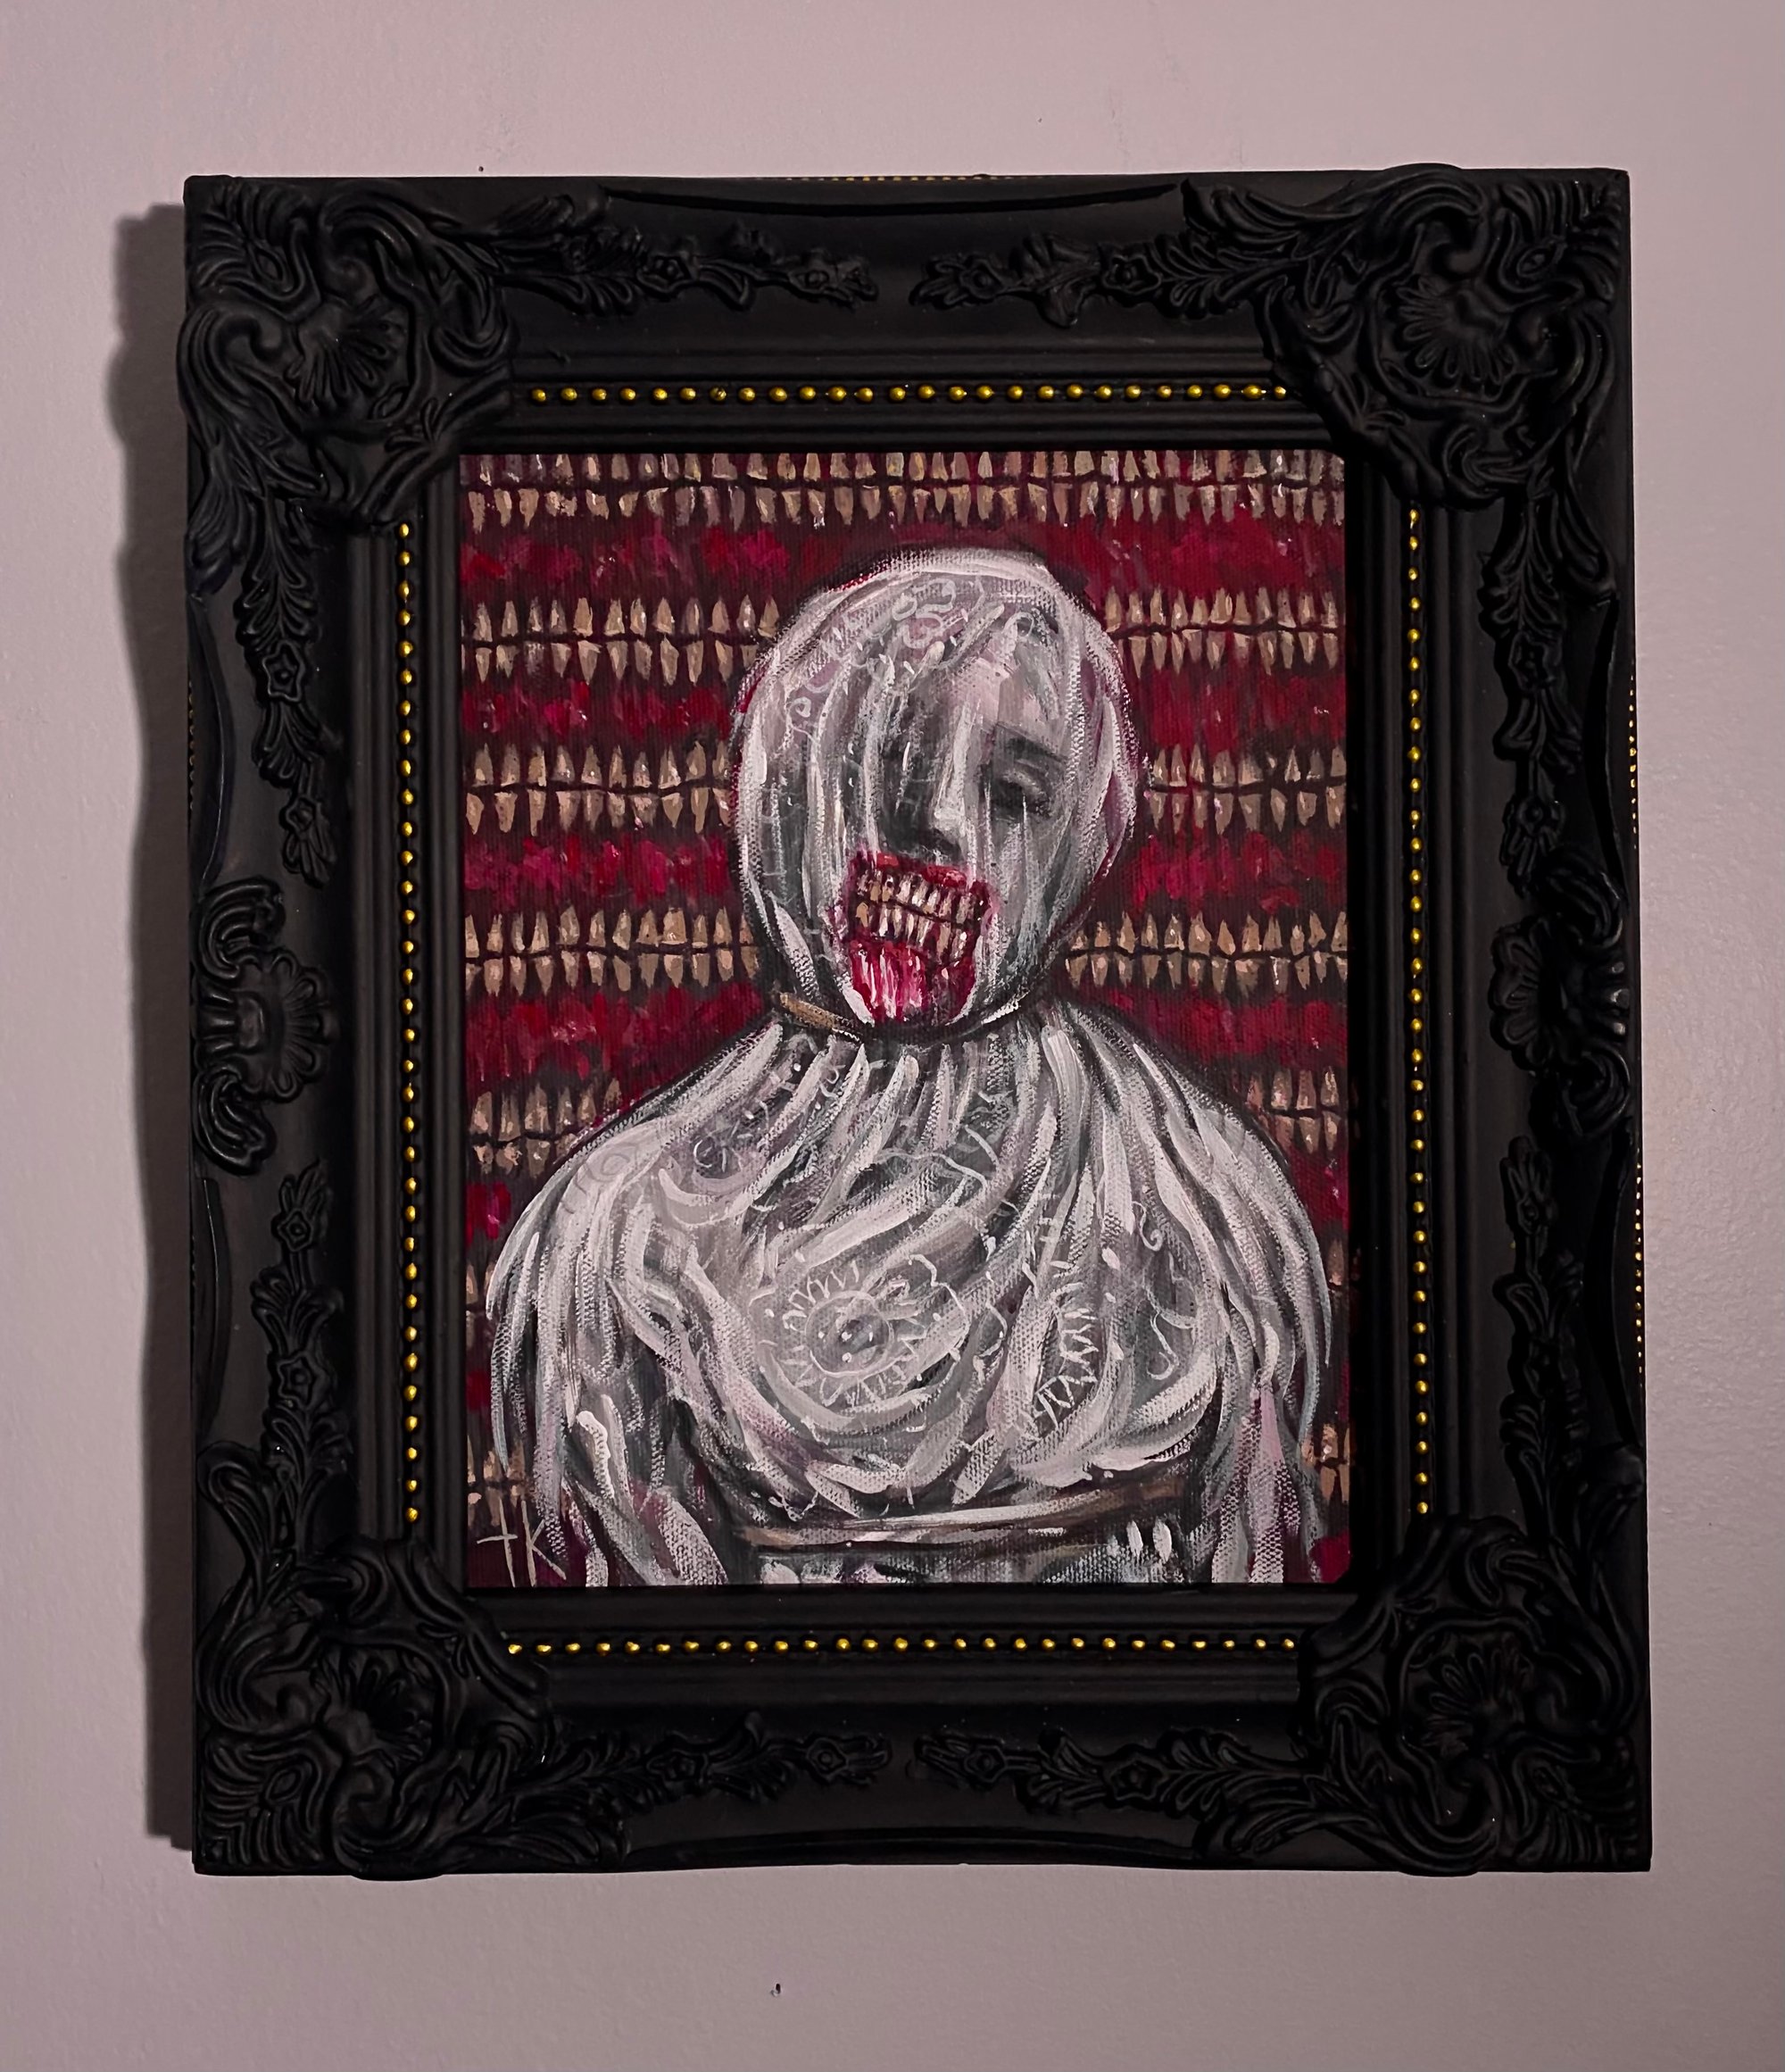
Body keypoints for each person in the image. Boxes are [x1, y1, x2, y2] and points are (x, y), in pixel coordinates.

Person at [488, 547, 1329, 1585]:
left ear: (1076, 841)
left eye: (1013, 792)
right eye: (891, 760)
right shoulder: (622, 1232)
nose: (939, 825)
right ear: (790, 784)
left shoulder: (1204, 1202)